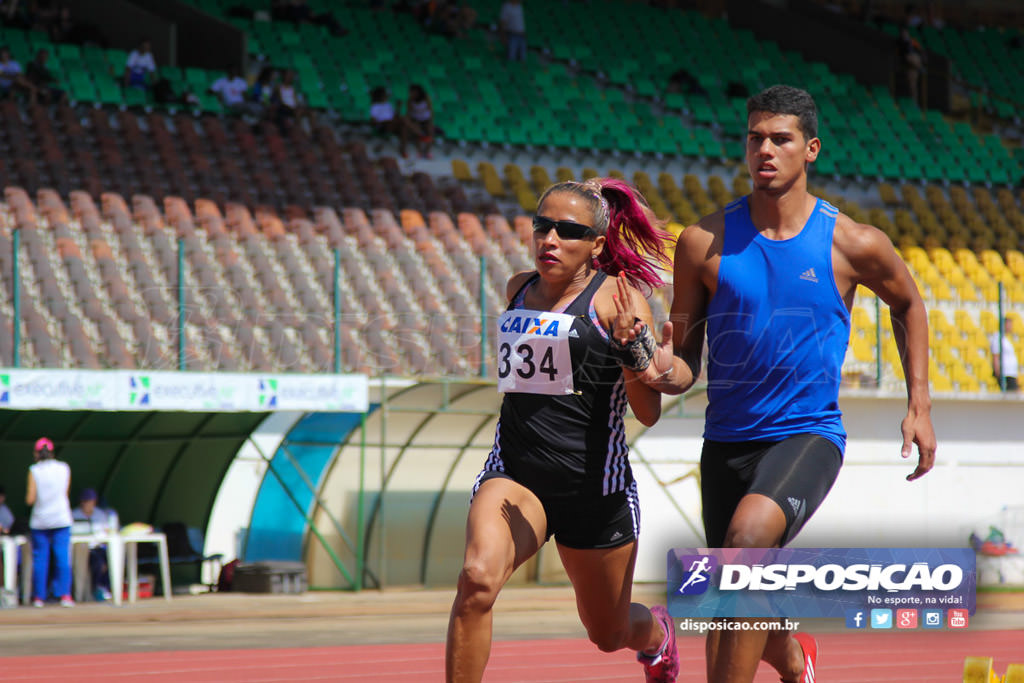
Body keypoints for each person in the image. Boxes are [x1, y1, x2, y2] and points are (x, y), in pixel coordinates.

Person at [632, 85, 937, 682]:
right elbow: (687, 363)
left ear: (811, 148)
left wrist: (919, 405)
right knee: (734, 585)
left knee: (744, 548)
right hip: (725, 443)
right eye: (754, 138)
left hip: (807, 435)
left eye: (780, 138)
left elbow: (910, 305)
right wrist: (655, 368)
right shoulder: (701, 244)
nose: (764, 150)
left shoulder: (853, 242)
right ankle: (797, 661)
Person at [446, 178, 680, 683]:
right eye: (542, 226)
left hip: (594, 490)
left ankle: (658, 635)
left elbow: (649, 412)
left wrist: (632, 348)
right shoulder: (518, 290)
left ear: (597, 245)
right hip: (516, 475)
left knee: (607, 634)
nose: (550, 239)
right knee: (476, 580)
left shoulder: (618, 301)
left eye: (568, 230)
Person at [26, 437, 75, 607]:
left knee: (40, 560)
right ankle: (65, 595)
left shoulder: (34, 470)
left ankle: (39, 597)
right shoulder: (64, 468)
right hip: (61, 518)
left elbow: (30, 499)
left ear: (37, 454)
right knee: (63, 558)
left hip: (40, 521)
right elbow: (65, 493)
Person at [71, 488, 118, 601]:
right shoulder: (73, 514)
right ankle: (94, 589)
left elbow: (108, 531)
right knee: (97, 562)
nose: (87, 503)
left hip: (99, 547)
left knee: (113, 558)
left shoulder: (101, 514)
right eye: (85, 501)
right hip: (82, 549)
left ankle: (106, 588)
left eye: (90, 501)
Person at [405, 83, 434, 158]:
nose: (412, 94)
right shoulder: (410, 100)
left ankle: (427, 151)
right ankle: (419, 151)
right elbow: (409, 112)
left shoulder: (426, 97)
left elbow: (430, 109)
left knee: (430, 132)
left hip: (426, 119)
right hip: (416, 119)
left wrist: (430, 121)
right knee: (417, 133)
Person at [990, 316, 1018, 391]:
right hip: (1005, 373)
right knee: (1011, 396)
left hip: (1010, 373)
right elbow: (995, 356)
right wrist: (998, 373)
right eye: (1008, 325)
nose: (1010, 327)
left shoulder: (1005, 339)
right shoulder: (997, 338)